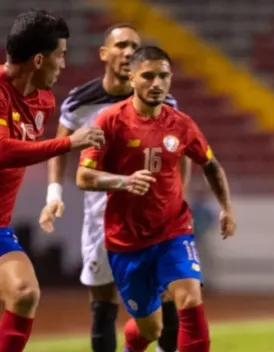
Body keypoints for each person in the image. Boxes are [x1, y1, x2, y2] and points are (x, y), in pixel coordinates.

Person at [76, 45, 236, 352]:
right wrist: (123, 181)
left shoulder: (182, 123)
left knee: (189, 298)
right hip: (127, 242)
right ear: (132, 77)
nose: (157, 83)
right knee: (151, 328)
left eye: (163, 76)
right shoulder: (109, 122)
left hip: (173, 231)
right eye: (148, 76)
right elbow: (84, 177)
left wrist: (226, 207)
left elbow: (211, 165)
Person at [38, 24, 183, 352]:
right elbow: (60, 148)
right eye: (121, 45)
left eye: (135, 46)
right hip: (101, 216)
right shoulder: (81, 103)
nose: (129, 52)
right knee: (103, 297)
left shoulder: (165, 101)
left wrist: (176, 197)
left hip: (151, 216)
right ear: (104, 53)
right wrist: (53, 196)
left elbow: (181, 149)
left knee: (167, 292)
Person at [0, 9, 105, 352]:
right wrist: (68, 143)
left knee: (24, 293)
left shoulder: (43, 102)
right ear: (39, 59)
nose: (63, 65)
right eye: (60, 56)